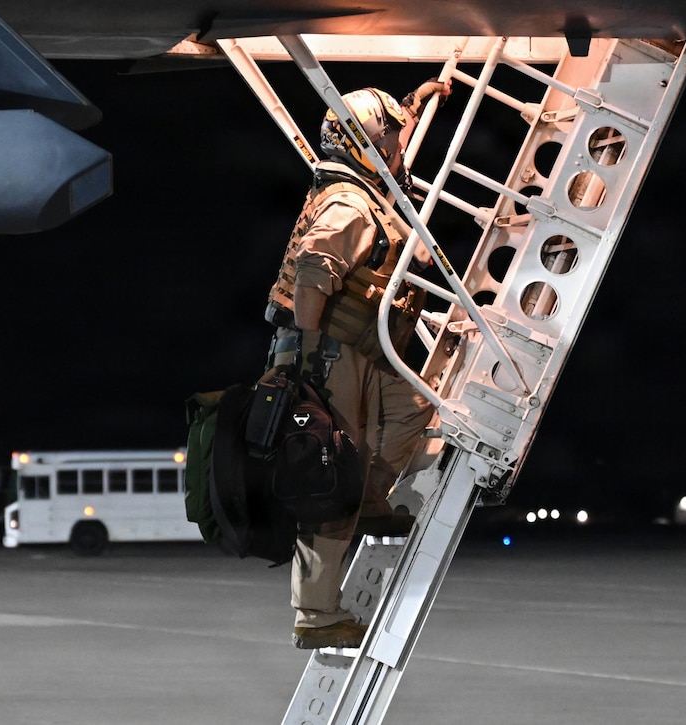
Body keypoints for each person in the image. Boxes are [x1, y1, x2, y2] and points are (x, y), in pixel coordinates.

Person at [263, 80, 451, 650]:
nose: (399, 144)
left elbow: (392, 146)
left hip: (362, 350)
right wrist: (313, 359)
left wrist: (418, 106)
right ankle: (316, 616)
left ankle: (370, 499)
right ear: (370, 142)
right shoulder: (349, 203)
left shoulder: (361, 188)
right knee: (328, 478)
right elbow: (313, 279)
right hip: (331, 354)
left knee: (417, 407)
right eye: (391, 134)